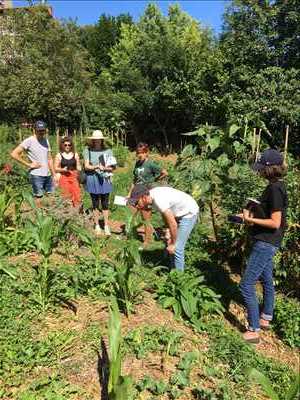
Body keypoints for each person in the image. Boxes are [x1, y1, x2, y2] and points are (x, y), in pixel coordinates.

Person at [239, 149, 288, 344]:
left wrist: (250, 219)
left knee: (246, 284)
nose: (259, 172)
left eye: (261, 169)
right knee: (267, 279)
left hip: (266, 242)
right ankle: (266, 316)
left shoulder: (274, 189)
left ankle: (254, 331)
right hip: (271, 241)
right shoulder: (279, 186)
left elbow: (275, 222)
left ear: (269, 169)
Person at [129, 185, 199, 271]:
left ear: (143, 197)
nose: (136, 206)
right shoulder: (151, 198)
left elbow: (173, 224)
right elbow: (165, 215)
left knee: (177, 248)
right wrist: (168, 230)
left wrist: (173, 243)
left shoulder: (159, 200)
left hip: (189, 213)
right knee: (168, 239)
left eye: (136, 202)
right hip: (177, 212)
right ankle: (171, 267)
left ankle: (179, 279)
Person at [128, 142, 168, 246]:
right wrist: (129, 193)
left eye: (141, 153)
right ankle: (131, 236)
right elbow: (134, 180)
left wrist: (154, 180)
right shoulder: (137, 164)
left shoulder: (150, 164)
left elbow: (164, 172)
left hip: (146, 192)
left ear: (146, 153)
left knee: (145, 217)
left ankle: (146, 240)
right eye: (137, 153)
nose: (139, 155)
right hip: (135, 191)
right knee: (131, 215)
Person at [11, 120, 56, 207]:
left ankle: (51, 216)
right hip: (36, 175)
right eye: (39, 130)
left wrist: (54, 173)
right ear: (34, 130)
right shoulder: (29, 141)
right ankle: (38, 217)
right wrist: (28, 164)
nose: (41, 132)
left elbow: (49, 158)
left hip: (48, 174)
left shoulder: (46, 140)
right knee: (38, 198)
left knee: (51, 197)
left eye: (43, 130)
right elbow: (14, 154)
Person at [83, 130, 117, 236]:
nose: (97, 141)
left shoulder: (108, 151)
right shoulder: (87, 150)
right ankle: (97, 225)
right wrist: (97, 166)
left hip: (105, 178)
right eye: (95, 139)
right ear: (92, 140)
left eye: (99, 139)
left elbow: (113, 167)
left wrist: (105, 168)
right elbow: (86, 166)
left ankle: (106, 225)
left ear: (102, 140)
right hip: (92, 178)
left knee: (105, 203)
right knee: (95, 203)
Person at [54, 137, 81, 208]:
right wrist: (63, 169)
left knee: (76, 193)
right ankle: (67, 212)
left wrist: (81, 170)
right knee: (66, 194)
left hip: (74, 176)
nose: (67, 146)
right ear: (62, 145)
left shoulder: (75, 154)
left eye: (69, 145)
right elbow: (55, 168)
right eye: (65, 145)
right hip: (64, 176)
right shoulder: (59, 155)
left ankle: (77, 212)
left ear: (71, 146)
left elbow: (78, 166)